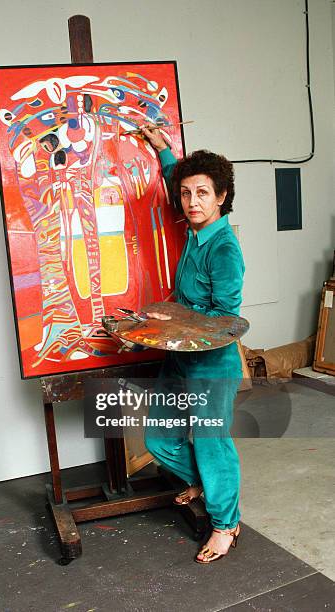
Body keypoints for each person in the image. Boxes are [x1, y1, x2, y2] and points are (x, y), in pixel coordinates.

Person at [141, 125, 245, 564]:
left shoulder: (223, 249)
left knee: (211, 444)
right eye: (186, 194)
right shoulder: (193, 230)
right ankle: (204, 481)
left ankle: (226, 523)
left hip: (211, 366)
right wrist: (165, 151)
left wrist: (177, 317)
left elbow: (226, 321)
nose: (192, 202)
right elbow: (177, 181)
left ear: (221, 196)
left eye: (203, 193)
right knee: (159, 440)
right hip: (180, 359)